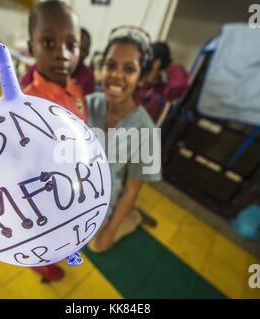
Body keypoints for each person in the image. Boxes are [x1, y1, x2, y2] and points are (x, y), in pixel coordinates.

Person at [23, 0, 86, 281]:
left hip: (70, 182)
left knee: (66, 225)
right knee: (42, 230)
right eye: (49, 42)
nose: (62, 54)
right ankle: (40, 262)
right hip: (41, 191)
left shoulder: (75, 89)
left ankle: (65, 246)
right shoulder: (26, 104)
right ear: (31, 46)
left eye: (71, 45)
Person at [85, 26, 162, 253]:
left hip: (101, 204)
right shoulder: (88, 103)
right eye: (111, 65)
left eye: (129, 69)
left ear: (142, 77)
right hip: (74, 194)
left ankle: (131, 218)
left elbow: (131, 190)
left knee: (95, 246)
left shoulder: (146, 130)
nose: (117, 75)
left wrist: (110, 231)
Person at [21, 28, 95, 96]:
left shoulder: (87, 77)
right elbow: (23, 88)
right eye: (73, 46)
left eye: (83, 50)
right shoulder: (43, 66)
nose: (78, 54)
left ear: (88, 53)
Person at [134, 41, 189, 122]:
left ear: (157, 63)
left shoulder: (161, 91)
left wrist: (169, 65)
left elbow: (179, 85)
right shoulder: (133, 85)